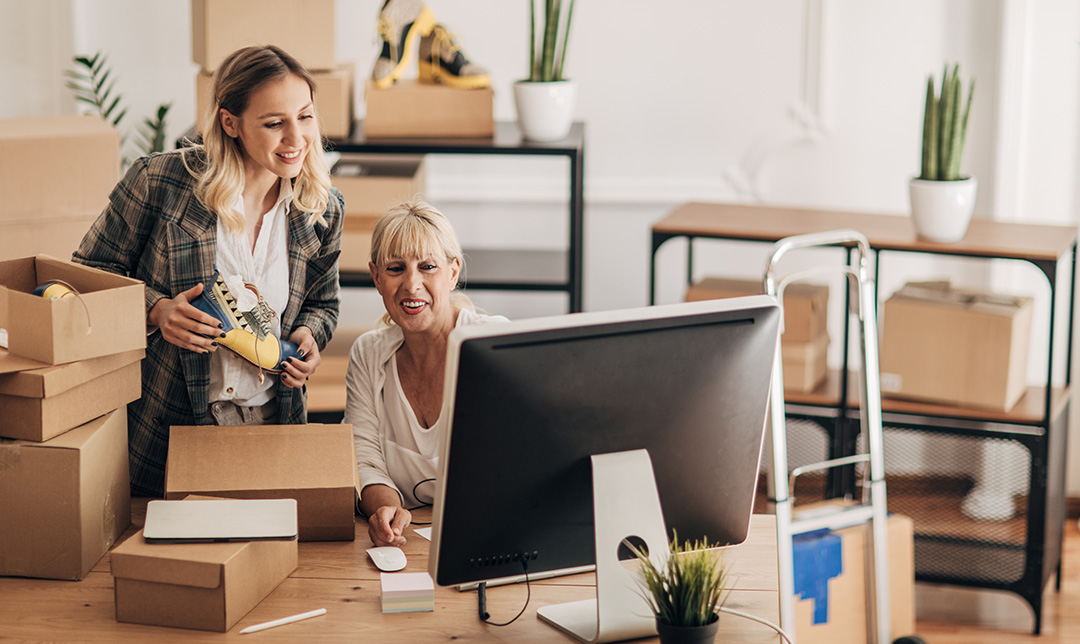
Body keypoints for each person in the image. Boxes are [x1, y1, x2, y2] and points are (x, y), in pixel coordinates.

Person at [73, 45, 345, 497]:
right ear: (230, 122)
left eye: (306, 116)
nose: (296, 138)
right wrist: (156, 311)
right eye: (275, 123)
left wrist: (310, 338)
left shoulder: (321, 208)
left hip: (271, 421)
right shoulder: (159, 183)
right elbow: (85, 275)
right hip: (169, 420)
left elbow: (323, 303)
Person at [344, 200, 507, 547]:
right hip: (407, 542)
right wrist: (387, 509)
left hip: (491, 536)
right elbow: (363, 458)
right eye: (396, 268)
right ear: (376, 276)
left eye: (428, 266)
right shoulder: (368, 354)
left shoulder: (492, 343)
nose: (412, 284)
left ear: (453, 272)